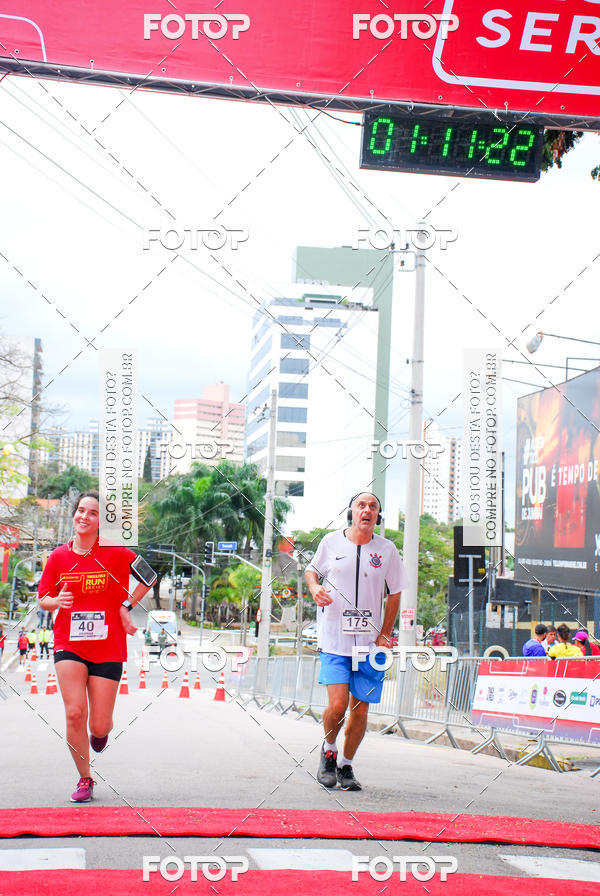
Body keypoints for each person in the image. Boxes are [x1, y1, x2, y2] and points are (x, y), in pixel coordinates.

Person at [37, 491, 156, 803]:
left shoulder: (117, 552)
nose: (84, 517)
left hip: (108, 648)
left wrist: (127, 605)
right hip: (69, 644)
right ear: (74, 515)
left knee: (99, 724)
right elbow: (43, 598)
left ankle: (99, 733)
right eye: (81, 510)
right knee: (74, 712)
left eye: (92, 513)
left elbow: (150, 576)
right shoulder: (58, 558)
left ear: (102, 522)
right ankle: (85, 778)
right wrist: (57, 601)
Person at [305, 492, 408, 791]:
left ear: (378, 515)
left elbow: (396, 592)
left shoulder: (387, 550)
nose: (367, 510)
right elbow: (312, 572)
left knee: (360, 710)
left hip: (369, 646)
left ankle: (346, 765)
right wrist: (314, 588)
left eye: (373, 507)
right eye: (361, 505)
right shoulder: (331, 542)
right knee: (337, 707)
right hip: (335, 640)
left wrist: (385, 634)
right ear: (351, 511)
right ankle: (329, 751)